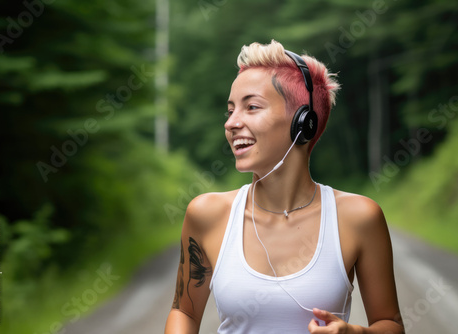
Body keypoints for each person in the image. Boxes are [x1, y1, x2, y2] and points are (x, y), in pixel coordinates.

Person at [165, 40, 404, 334]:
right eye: (230, 111)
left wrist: (356, 333)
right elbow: (184, 312)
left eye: (251, 107)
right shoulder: (206, 214)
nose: (231, 123)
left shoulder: (359, 218)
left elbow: (390, 324)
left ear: (302, 123)